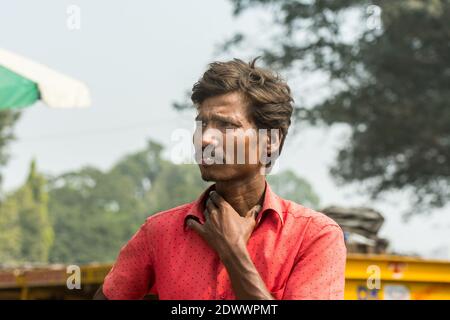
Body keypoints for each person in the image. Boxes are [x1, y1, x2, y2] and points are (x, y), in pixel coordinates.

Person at [94, 58, 346, 300]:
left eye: (226, 125)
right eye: (202, 124)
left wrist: (234, 252)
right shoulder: (159, 232)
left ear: (270, 140)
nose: (205, 138)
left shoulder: (314, 236)